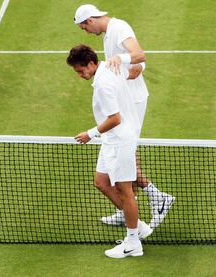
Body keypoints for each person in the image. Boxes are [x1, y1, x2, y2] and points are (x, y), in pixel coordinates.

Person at [74, 4, 175, 229]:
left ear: (90, 20)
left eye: (84, 28)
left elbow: (139, 58)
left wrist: (120, 64)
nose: (86, 33)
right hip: (124, 99)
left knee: (125, 155)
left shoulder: (119, 27)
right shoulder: (109, 35)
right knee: (123, 157)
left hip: (133, 101)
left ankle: (157, 197)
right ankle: (129, 209)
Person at [67, 44, 151, 258]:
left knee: (126, 192)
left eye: (81, 70)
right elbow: (140, 64)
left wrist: (90, 133)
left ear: (92, 63)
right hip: (112, 140)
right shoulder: (111, 66)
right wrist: (123, 59)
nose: (80, 75)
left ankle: (133, 242)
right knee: (101, 182)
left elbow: (115, 118)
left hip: (120, 140)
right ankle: (139, 226)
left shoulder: (104, 84)